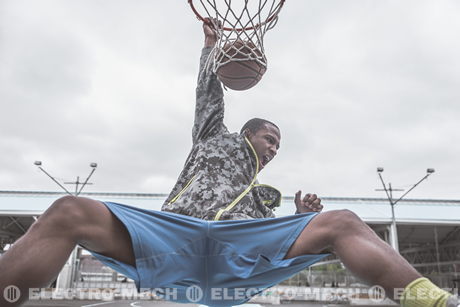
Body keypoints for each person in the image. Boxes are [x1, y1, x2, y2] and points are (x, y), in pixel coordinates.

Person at [0, 20, 457, 307]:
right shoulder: (213, 137)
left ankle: (433, 302)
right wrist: (211, 49)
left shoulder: (261, 195)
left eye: (279, 145)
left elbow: (277, 243)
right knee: (69, 209)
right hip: (172, 237)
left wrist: (301, 218)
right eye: (269, 138)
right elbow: (207, 95)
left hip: (236, 258)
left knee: (341, 222)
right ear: (247, 133)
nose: (274, 148)